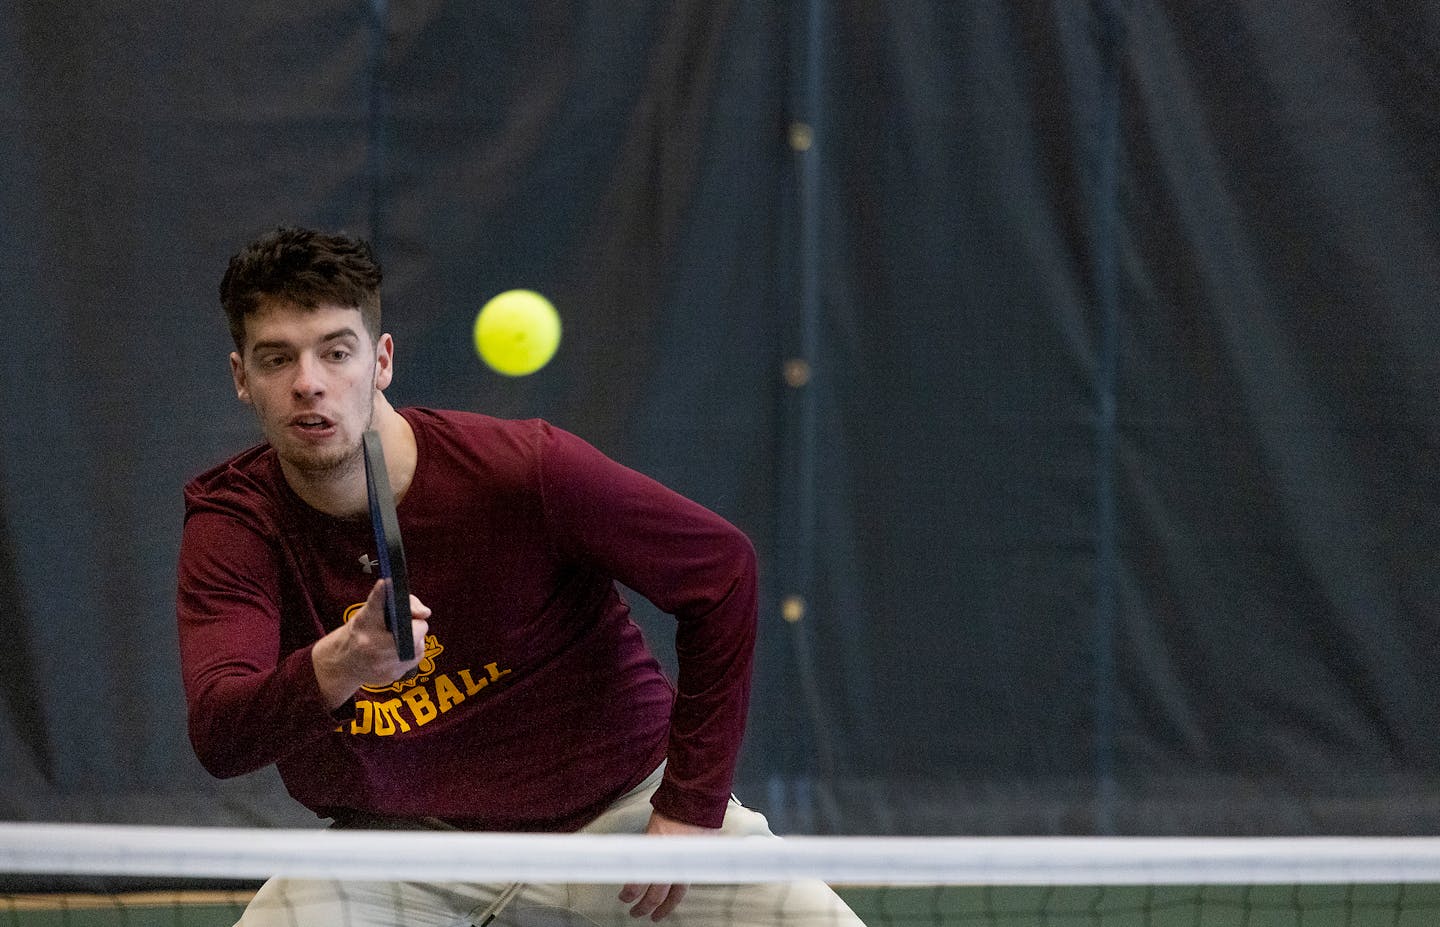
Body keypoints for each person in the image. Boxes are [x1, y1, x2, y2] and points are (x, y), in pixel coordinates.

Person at [177, 226, 864, 927]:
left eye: (336, 351)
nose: (309, 382)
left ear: (381, 360)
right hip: (408, 850)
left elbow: (723, 574)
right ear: (242, 377)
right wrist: (343, 661)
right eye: (276, 358)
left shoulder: (525, 471)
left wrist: (692, 803)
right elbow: (223, 735)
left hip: (618, 819)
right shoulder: (234, 523)